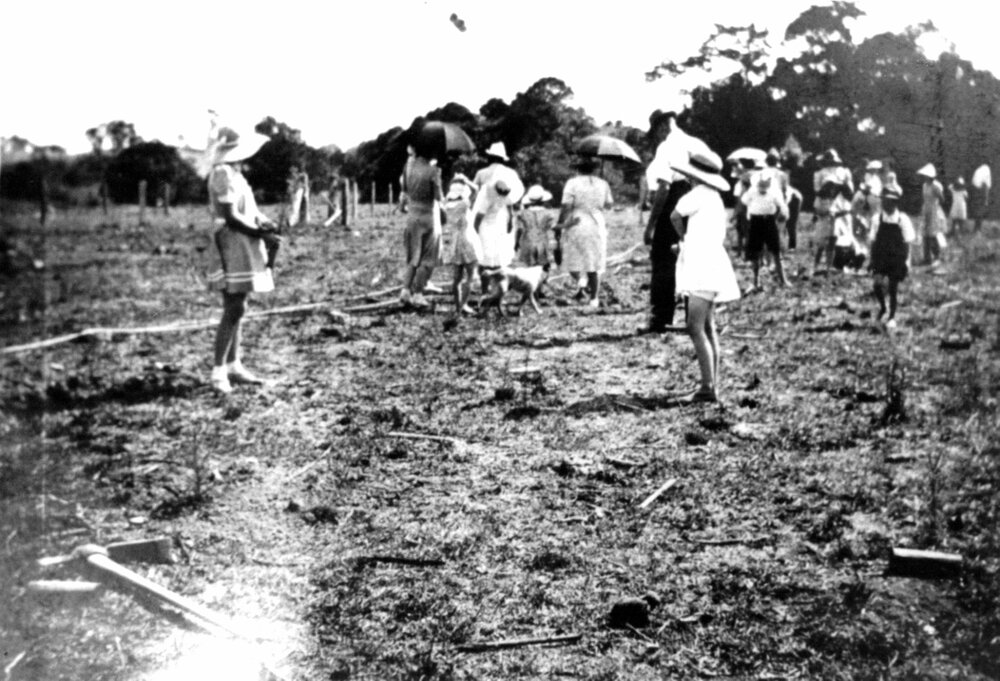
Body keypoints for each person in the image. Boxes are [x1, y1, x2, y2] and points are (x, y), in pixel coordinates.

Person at [205, 129, 282, 394]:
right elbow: (230, 216)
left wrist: (263, 220)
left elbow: (248, 210)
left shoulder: (236, 174)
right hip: (232, 241)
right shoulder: (222, 173)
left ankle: (233, 364)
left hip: (243, 240)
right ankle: (218, 371)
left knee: (239, 304)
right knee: (234, 306)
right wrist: (259, 233)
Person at [670, 143, 741, 403]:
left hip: (702, 264)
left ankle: (706, 388)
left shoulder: (696, 194)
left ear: (693, 176)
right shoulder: (715, 197)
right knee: (708, 327)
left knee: (694, 326)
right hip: (713, 261)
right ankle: (711, 384)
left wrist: (683, 240)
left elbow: (674, 217)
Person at [640, 109, 699, 334]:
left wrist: (651, 225)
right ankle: (692, 318)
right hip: (694, 199)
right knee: (688, 257)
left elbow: (664, 186)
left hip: (674, 200)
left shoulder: (666, 146)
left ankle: (661, 319)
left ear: (662, 127)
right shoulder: (692, 142)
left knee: (663, 259)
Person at [558, 157, 614, 308]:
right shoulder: (603, 183)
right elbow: (609, 204)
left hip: (578, 220)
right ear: (594, 168)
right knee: (594, 261)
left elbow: (566, 205)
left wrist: (561, 223)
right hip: (596, 221)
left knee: (574, 257)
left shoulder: (572, 183)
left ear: (578, 168)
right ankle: (593, 297)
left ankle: (582, 283)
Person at [472, 142, 524, 287]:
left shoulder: (481, 173)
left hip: (484, 213)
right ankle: (498, 285)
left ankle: (485, 287)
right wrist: (511, 216)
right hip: (502, 213)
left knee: (484, 252)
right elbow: (510, 199)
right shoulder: (510, 173)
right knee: (499, 251)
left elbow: (474, 195)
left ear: (490, 157)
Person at [400, 140, 444, 307]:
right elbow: (438, 197)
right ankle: (418, 293)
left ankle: (405, 290)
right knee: (428, 258)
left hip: (412, 214)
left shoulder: (408, 166)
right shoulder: (433, 171)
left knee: (413, 257)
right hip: (429, 215)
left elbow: (404, 189)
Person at [869, 184, 915, 330]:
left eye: (889, 201)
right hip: (881, 256)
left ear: (895, 202)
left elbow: (907, 242)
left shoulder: (902, 219)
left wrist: (907, 262)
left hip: (896, 257)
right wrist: (872, 259)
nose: (886, 204)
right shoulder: (877, 218)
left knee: (893, 287)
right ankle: (883, 307)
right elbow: (873, 240)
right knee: (877, 285)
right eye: (884, 201)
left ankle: (892, 316)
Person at [441, 173, 481, 315]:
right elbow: (477, 190)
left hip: (453, 241)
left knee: (456, 277)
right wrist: (466, 180)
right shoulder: (465, 204)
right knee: (470, 275)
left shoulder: (446, 205)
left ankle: (458, 307)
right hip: (467, 239)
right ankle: (464, 304)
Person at [741, 175, 789, 290]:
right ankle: (756, 281)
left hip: (769, 221)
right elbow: (744, 201)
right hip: (755, 221)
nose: (763, 189)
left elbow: (782, 206)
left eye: (765, 186)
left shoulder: (773, 193)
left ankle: (783, 280)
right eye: (760, 186)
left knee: (776, 250)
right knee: (755, 252)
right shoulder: (751, 192)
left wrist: (781, 215)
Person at [516, 184, 555, 267]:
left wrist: (516, 243)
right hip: (542, 241)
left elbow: (519, 229)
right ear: (543, 200)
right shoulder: (548, 213)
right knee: (543, 266)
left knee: (529, 267)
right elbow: (551, 228)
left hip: (527, 241)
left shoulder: (522, 214)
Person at [917, 163, 946, 265]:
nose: (925, 177)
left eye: (927, 175)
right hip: (926, 209)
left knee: (932, 234)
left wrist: (936, 203)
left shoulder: (936, 186)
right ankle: (927, 257)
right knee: (925, 234)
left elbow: (942, 199)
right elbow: (924, 198)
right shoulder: (924, 185)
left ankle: (937, 255)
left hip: (934, 210)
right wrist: (923, 209)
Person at [971, 163, 991, 232]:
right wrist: (986, 200)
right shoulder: (985, 174)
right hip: (980, 198)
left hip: (977, 197)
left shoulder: (979, 173)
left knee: (977, 213)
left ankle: (976, 228)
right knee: (979, 213)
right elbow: (986, 190)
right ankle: (978, 228)